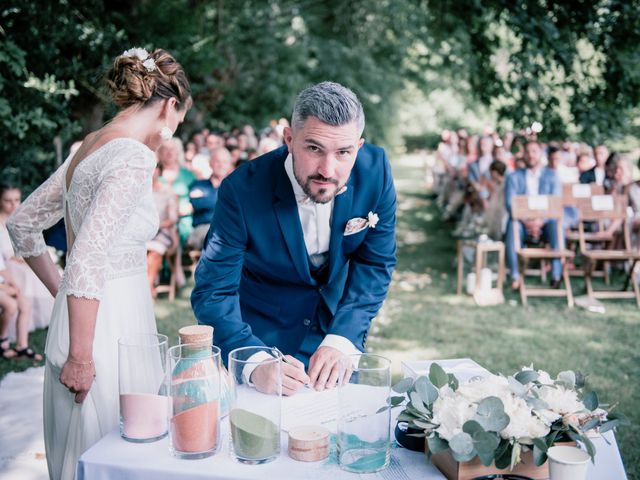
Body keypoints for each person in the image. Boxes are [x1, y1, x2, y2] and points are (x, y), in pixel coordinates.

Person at [7, 47, 191, 480]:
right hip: (107, 330)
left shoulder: (89, 146)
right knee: (114, 451)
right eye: (180, 114)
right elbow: (88, 254)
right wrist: (82, 357)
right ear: (169, 104)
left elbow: (22, 224)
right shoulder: (132, 156)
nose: (176, 126)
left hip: (81, 315)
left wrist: (64, 291)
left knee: (84, 452)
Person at [191, 81, 396, 396]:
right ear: (289, 139)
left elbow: (375, 263)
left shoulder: (376, 172)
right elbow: (214, 292)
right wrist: (253, 361)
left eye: (344, 152)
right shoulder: (241, 191)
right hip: (261, 346)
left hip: (335, 341)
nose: (328, 169)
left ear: (359, 145)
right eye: (314, 148)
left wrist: (342, 340)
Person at [505, 140, 562, 290]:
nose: (531, 155)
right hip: (523, 223)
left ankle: (556, 275)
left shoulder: (552, 176)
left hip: (546, 222)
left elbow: (555, 204)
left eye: (534, 151)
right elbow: (510, 204)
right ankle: (515, 276)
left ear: (541, 153)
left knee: (557, 225)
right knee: (513, 225)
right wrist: (527, 221)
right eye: (528, 152)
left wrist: (540, 221)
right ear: (523, 154)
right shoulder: (513, 177)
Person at [0, 183, 55, 331]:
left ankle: (52, 316)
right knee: (29, 274)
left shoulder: (21, 220)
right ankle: (24, 320)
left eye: (17, 200)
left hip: (23, 259)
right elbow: (5, 255)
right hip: (8, 264)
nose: (13, 204)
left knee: (54, 271)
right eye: (8, 200)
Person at [186, 147, 234, 251]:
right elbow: (196, 204)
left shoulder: (236, 187)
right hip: (203, 229)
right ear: (210, 163)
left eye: (225, 162)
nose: (221, 165)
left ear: (230, 164)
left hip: (230, 229)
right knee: (217, 238)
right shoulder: (199, 185)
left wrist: (208, 198)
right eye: (217, 161)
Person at [147, 164, 179, 299]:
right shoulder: (140, 190)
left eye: (153, 169)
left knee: (155, 251)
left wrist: (156, 225)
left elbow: (173, 218)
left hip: (163, 230)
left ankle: (148, 287)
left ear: (158, 171)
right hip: (143, 232)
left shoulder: (167, 191)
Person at [0, 253, 41, 360]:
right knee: (11, 305)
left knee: (25, 304)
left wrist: (14, 285)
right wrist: (5, 288)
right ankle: (2, 340)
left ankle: (21, 347)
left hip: (3, 284)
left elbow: (2, 268)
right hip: (1, 286)